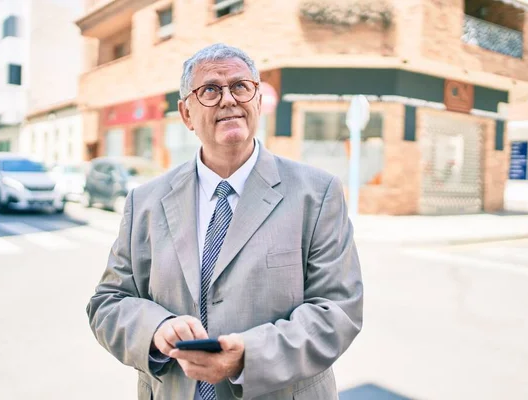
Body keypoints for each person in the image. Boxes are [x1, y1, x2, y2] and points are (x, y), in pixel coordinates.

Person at [86, 43, 363, 400]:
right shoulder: (146, 202)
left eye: (241, 87)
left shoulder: (318, 192)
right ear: (186, 114)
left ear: (258, 101)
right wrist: (156, 329)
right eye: (211, 90)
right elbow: (108, 302)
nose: (228, 100)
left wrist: (247, 357)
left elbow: (338, 311)